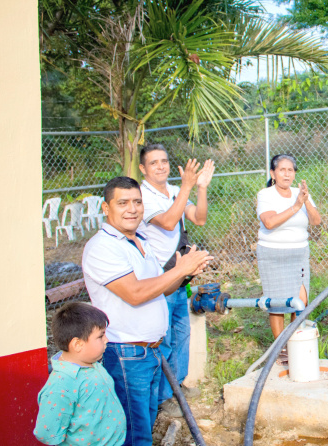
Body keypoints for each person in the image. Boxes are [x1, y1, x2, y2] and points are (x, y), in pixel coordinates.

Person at [82, 176, 211, 446]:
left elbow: (160, 290)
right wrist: (179, 270)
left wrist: (184, 274)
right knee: (134, 434)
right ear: (106, 209)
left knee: (146, 425)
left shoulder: (140, 240)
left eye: (138, 202)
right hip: (125, 354)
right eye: (123, 203)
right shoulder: (102, 247)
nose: (132, 209)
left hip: (150, 352)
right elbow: (135, 293)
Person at [136, 144, 215, 416]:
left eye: (164, 161)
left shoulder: (172, 191)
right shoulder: (143, 196)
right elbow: (169, 222)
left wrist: (200, 187)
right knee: (165, 339)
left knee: (182, 334)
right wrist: (186, 188)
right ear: (143, 169)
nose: (161, 166)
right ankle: (162, 398)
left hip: (179, 276)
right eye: (154, 162)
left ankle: (177, 387)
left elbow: (199, 218)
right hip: (160, 279)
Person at [257, 154, 321, 364]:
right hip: (273, 254)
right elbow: (269, 222)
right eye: (282, 170)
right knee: (278, 303)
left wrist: (305, 201)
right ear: (273, 174)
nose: (287, 174)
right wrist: (295, 206)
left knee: (300, 301)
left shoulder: (300, 193)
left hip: (299, 253)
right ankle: (280, 348)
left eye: (290, 170)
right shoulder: (265, 194)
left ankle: (296, 340)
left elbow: (316, 221)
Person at [33, 302, 126, 446]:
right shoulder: (62, 384)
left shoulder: (92, 364)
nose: (106, 340)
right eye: (101, 336)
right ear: (77, 345)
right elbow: (46, 432)